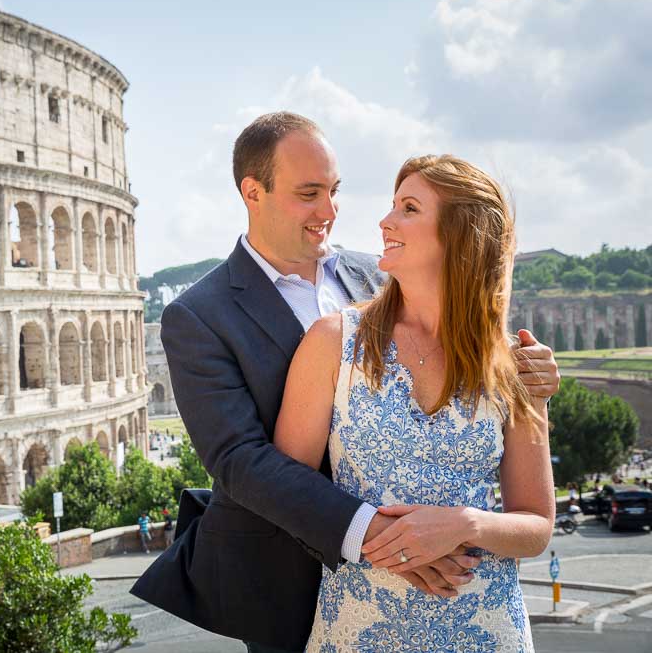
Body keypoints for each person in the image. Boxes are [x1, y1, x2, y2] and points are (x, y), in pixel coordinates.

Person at [130, 112, 561, 652]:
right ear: (252, 192)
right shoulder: (201, 315)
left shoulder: (384, 272)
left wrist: (530, 378)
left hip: (478, 611)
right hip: (302, 585)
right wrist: (390, 541)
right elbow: (242, 460)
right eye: (309, 193)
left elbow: (534, 516)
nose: (331, 212)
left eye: (335, 191)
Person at [274, 154, 554, 651]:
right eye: (392, 205)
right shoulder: (334, 342)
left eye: (408, 208)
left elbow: (536, 525)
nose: (385, 221)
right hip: (359, 630)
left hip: (487, 632)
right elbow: (288, 492)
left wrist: (466, 524)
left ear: (459, 234)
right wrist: (390, 544)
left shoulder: (512, 364)